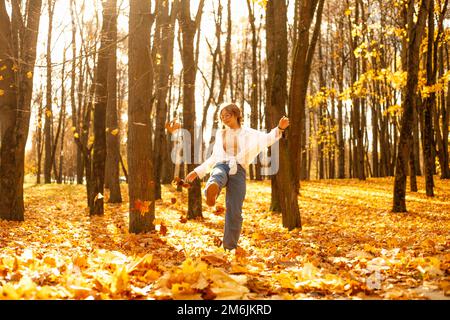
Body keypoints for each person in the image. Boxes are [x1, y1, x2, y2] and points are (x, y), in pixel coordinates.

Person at [167, 103, 289, 250]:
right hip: (222, 164)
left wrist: (280, 128)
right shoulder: (221, 134)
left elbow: (268, 139)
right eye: (222, 116)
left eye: (227, 115)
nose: (224, 119)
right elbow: (213, 158)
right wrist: (197, 171)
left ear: (237, 115)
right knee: (218, 174)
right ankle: (211, 192)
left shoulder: (249, 133)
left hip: (239, 170)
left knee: (235, 211)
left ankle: (229, 247)